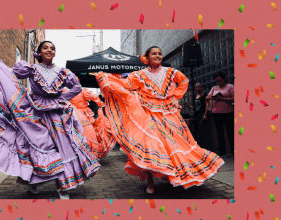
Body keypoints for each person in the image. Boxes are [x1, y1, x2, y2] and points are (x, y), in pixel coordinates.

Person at [95, 46, 225, 194]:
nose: (157, 56)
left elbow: (184, 81)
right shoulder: (139, 75)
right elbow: (126, 85)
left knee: (176, 145)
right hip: (149, 115)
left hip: (170, 115)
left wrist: (175, 97)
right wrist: (106, 79)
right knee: (151, 147)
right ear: (147, 58)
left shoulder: (171, 72)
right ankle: (150, 183)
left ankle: (175, 175)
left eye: (159, 54)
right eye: (154, 54)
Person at [0, 41, 100, 199]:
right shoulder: (32, 69)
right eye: (45, 48)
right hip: (35, 113)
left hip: (57, 115)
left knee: (63, 148)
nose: (49, 50)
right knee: (36, 147)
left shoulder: (62, 72)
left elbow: (77, 88)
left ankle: (62, 188)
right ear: (39, 52)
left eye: (52, 48)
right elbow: (12, 76)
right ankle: (32, 182)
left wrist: (60, 98)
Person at [64, 87, 116, 159]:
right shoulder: (82, 91)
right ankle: (89, 152)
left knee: (74, 132)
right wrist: (100, 103)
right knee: (90, 131)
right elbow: (94, 96)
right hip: (84, 114)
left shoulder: (66, 92)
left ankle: (77, 153)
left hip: (73, 114)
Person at [206, 71, 234, 158]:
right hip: (216, 113)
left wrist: (222, 98)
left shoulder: (230, 87)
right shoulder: (214, 88)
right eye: (217, 81)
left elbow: (234, 99)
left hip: (227, 112)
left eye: (220, 80)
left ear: (224, 79)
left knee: (230, 132)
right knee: (219, 132)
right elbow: (207, 97)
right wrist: (213, 97)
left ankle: (234, 152)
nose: (219, 82)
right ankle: (222, 152)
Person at [186, 83, 213, 151]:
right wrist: (190, 107)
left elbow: (207, 105)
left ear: (202, 87)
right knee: (196, 132)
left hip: (201, 115)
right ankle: (198, 146)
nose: (197, 88)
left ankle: (204, 147)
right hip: (196, 116)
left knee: (202, 132)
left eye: (199, 87)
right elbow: (196, 106)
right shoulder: (196, 96)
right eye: (196, 87)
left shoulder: (204, 95)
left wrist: (205, 114)